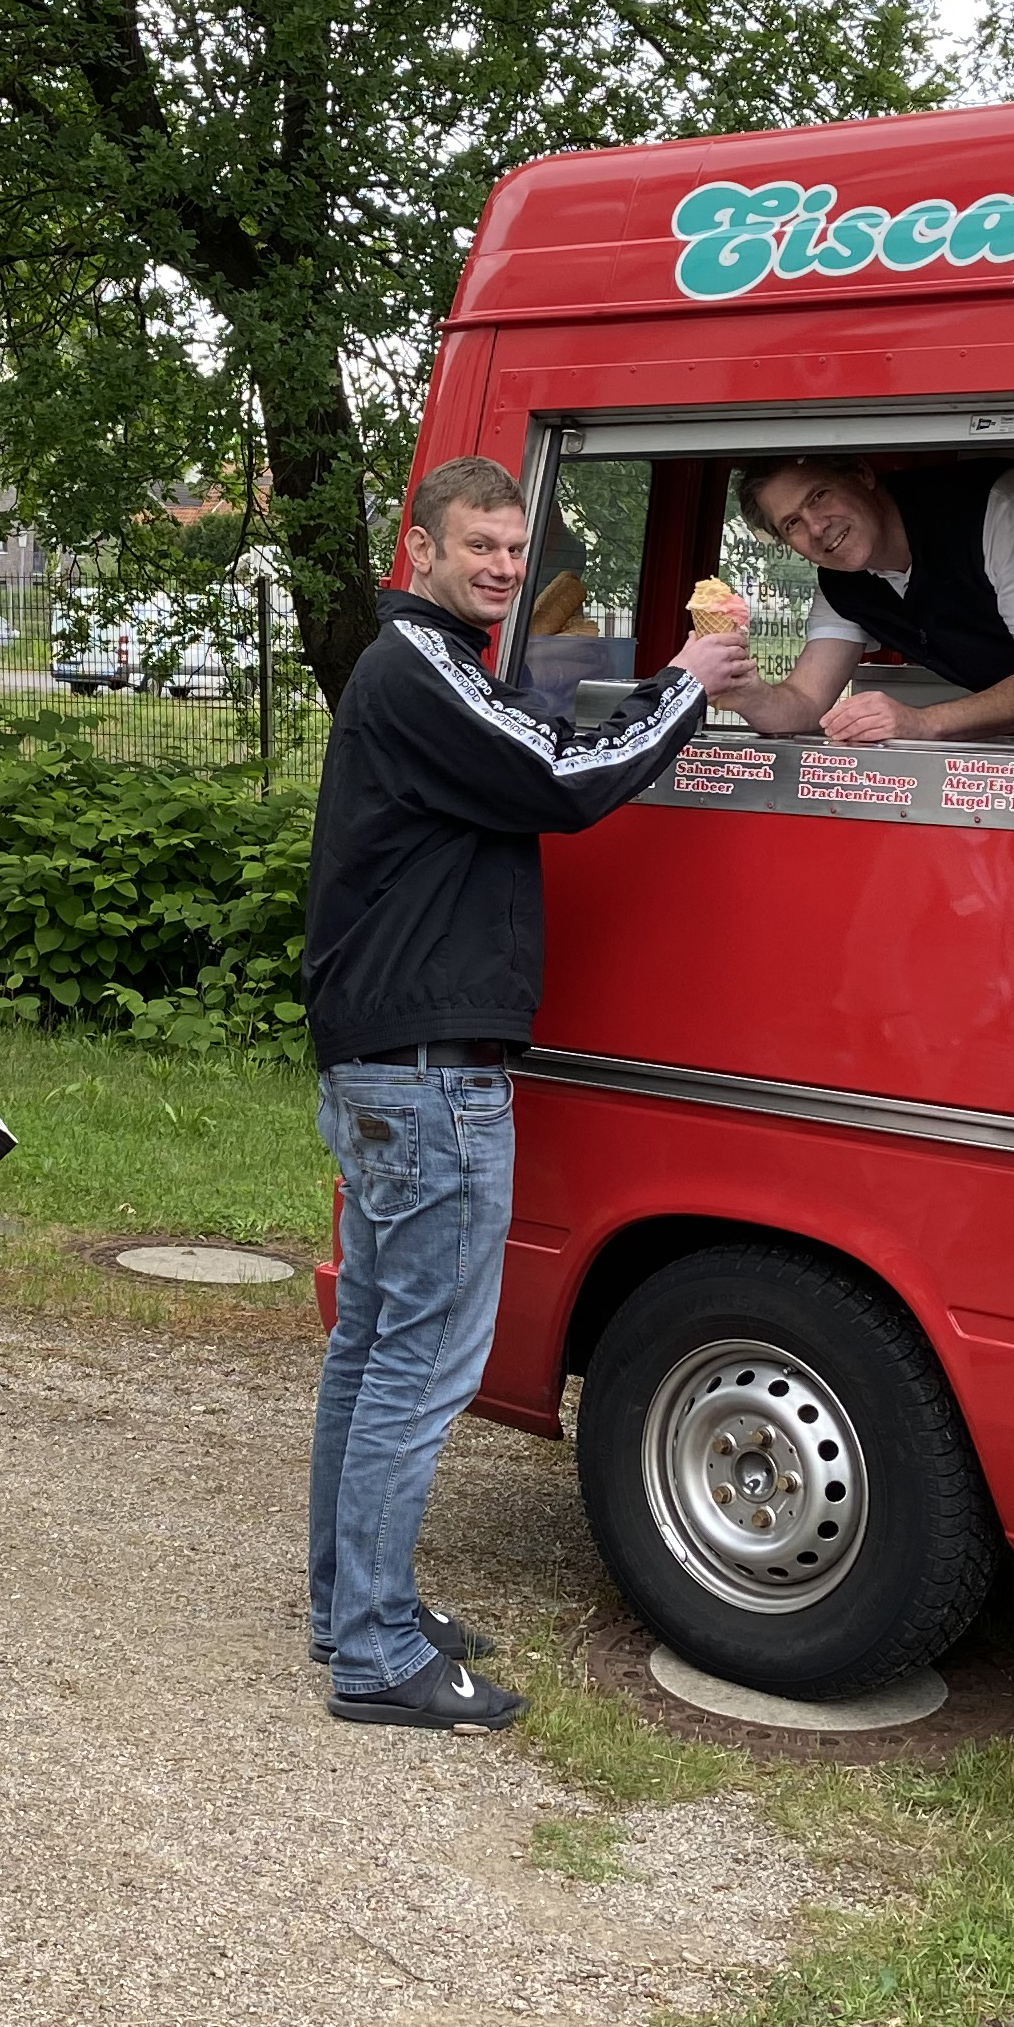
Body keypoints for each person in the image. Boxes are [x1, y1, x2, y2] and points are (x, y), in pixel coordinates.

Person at [301, 456, 757, 1730]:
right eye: (479, 545)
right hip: (429, 1078)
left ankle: (349, 1604)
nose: (502, 565)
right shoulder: (421, 661)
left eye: (515, 547)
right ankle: (374, 1651)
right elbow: (560, 774)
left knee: (371, 1348)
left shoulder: (430, 663)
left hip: (387, 1068)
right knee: (418, 1366)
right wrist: (685, 682)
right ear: (419, 548)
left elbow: (529, 750)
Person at [723, 455, 1014, 744]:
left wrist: (923, 722)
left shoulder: (1002, 510)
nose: (816, 527)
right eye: (792, 523)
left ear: (862, 475)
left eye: (819, 496)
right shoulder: (841, 581)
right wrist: (747, 693)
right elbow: (807, 701)